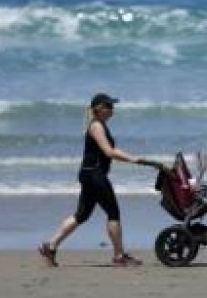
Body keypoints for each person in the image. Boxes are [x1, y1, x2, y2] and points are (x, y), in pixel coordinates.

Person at [39, 93, 147, 267]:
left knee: (81, 215)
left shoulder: (100, 125)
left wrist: (132, 157)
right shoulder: (96, 126)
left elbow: (111, 149)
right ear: (99, 109)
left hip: (89, 174)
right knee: (113, 212)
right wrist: (132, 159)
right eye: (109, 106)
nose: (112, 110)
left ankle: (50, 247)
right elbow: (109, 152)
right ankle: (119, 256)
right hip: (94, 175)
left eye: (113, 106)